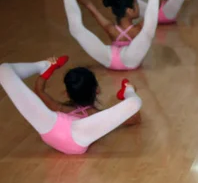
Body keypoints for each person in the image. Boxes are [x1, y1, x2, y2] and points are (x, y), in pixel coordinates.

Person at [0, 57, 142, 155]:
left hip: (50, 128)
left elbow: (39, 91)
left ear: (67, 94)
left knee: (3, 70)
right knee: (135, 103)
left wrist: (48, 71)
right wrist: (129, 92)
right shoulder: (96, 116)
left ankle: (42, 66)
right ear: (97, 90)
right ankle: (128, 89)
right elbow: (135, 118)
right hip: (77, 138)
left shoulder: (59, 108)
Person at [55, 0, 162, 70]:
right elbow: (153, 13)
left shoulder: (110, 28)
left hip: (108, 58)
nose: (138, 7)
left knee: (77, 29)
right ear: (129, 11)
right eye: (136, 4)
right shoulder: (138, 29)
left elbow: (89, 5)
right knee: (148, 30)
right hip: (131, 60)